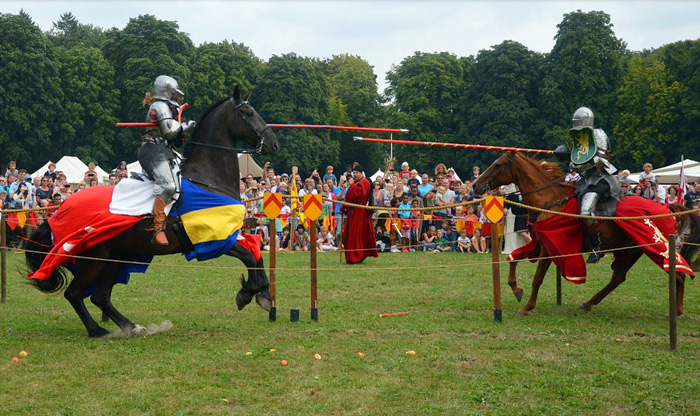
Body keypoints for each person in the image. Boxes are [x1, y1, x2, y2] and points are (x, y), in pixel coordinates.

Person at [555, 106, 621, 263]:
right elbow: (578, 158)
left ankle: (597, 247)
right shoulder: (579, 137)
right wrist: (568, 160)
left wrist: (577, 166)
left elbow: (601, 160)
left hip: (600, 178)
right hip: (585, 179)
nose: (576, 125)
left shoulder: (597, 134)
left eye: (578, 122)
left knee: (585, 210)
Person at [139, 75, 196, 245]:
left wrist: (184, 132)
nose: (176, 97)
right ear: (167, 91)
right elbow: (168, 132)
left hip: (164, 150)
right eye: (174, 93)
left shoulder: (167, 107)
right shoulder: (159, 106)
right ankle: (157, 229)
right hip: (152, 151)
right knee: (168, 185)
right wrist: (186, 126)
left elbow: (174, 138)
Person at [340, 164, 378, 264]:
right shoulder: (358, 182)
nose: (355, 175)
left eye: (357, 173)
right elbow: (349, 197)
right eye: (354, 173)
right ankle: (354, 256)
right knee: (350, 235)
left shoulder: (364, 182)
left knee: (355, 235)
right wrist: (344, 207)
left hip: (360, 212)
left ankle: (356, 257)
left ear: (361, 173)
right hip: (354, 212)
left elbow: (358, 195)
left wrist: (352, 185)